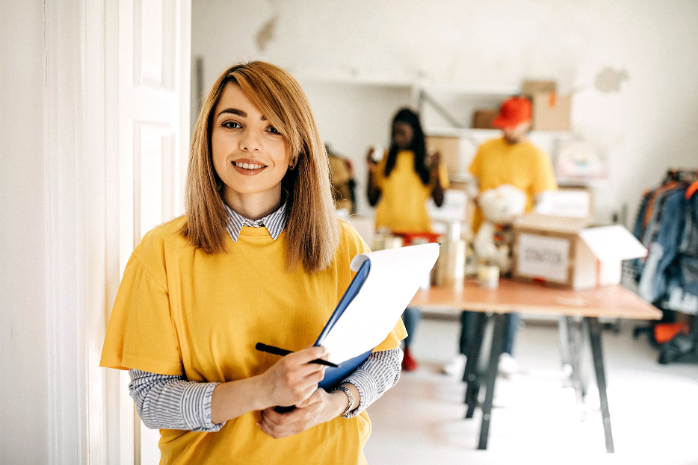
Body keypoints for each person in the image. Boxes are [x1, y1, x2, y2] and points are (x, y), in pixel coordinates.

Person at [100, 61, 406, 465]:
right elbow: (153, 400)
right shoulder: (160, 254)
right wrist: (263, 389)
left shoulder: (341, 243)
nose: (250, 143)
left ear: (296, 148)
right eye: (232, 124)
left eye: (272, 128)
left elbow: (387, 356)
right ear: (208, 136)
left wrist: (334, 403)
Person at [442, 96, 558, 377]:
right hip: (482, 233)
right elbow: (472, 182)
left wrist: (521, 220)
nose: (505, 131)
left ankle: (505, 353)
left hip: (513, 239)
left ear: (526, 124)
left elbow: (546, 199)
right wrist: (480, 198)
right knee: (473, 294)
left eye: (512, 126)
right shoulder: (487, 148)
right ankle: (464, 355)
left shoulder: (537, 157)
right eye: (503, 125)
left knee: (510, 295)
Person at [366, 108, 449, 371]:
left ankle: (408, 348)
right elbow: (371, 198)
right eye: (394, 131)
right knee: (385, 297)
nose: (397, 136)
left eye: (403, 131)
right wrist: (370, 170)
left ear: (415, 133)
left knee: (412, 299)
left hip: (417, 239)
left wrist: (437, 170)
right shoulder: (387, 159)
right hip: (387, 237)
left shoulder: (426, 161)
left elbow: (439, 200)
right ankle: (386, 348)